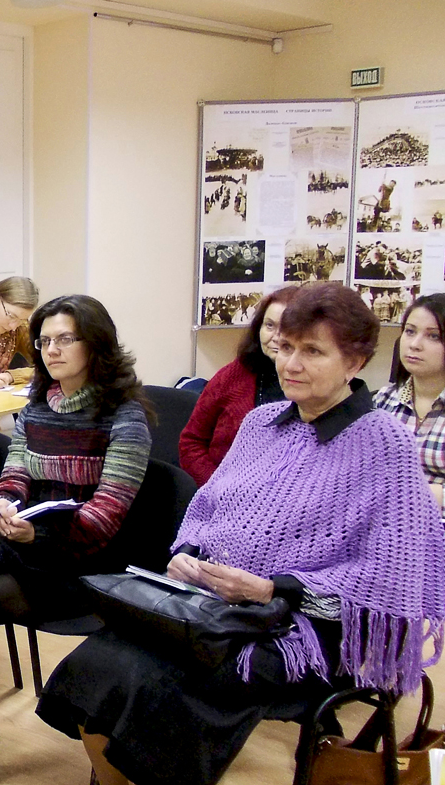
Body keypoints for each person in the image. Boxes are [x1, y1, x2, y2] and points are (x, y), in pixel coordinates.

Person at [35, 282, 445, 785]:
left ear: (355, 361)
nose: (291, 363)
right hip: (219, 604)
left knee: (159, 682)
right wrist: (187, 553)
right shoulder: (261, 423)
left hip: (306, 628)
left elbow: (392, 586)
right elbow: (209, 508)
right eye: (285, 347)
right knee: (99, 661)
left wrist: (275, 589)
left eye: (313, 351)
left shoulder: (385, 444)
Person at [0, 295, 152, 780]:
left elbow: (105, 518)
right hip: (32, 542)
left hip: (88, 562)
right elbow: (13, 478)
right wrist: (1, 506)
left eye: (65, 339)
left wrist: (35, 534)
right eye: (44, 341)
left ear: (96, 344)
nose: (51, 350)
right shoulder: (36, 408)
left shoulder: (124, 418)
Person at [179, 286, 298, 486]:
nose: (276, 337)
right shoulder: (233, 375)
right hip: (221, 491)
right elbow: (191, 442)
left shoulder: (313, 386)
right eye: (269, 325)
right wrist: (218, 488)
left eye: (287, 328)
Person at [373, 292, 445, 515]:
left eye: (433, 336)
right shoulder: (381, 401)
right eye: (410, 331)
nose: (414, 344)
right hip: (386, 523)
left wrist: (420, 494)